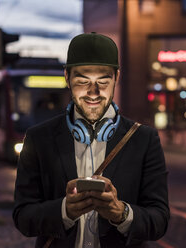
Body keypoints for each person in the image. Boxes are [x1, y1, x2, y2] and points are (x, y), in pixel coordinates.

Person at [13, 32, 170, 248]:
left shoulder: (144, 140)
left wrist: (121, 213)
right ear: (67, 77)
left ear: (117, 77)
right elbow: (22, 217)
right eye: (82, 81)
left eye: (103, 81)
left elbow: (160, 221)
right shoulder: (38, 138)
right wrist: (64, 211)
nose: (93, 92)